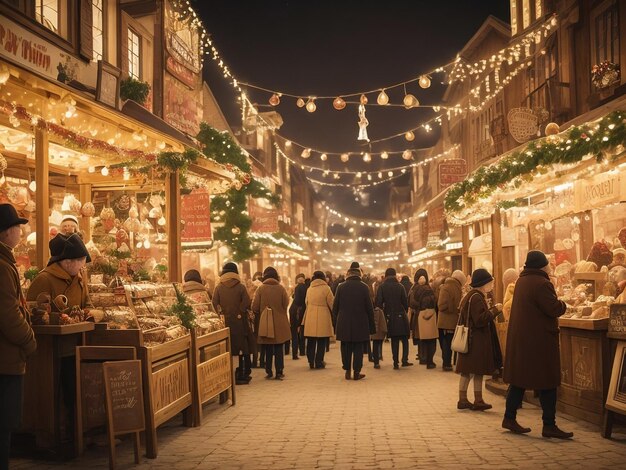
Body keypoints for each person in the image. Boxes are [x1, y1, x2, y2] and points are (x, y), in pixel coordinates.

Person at [503, 250, 572, 439]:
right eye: (547, 263)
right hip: (539, 341)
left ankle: (509, 418)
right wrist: (565, 304)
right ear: (542, 265)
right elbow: (553, 308)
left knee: (519, 380)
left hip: (524, 340)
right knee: (547, 381)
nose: (550, 265)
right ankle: (549, 425)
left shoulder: (522, 281)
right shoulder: (542, 283)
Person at [0, 204, 37, 470]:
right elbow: (8, 314)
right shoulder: (2, 266)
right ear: (5, 233)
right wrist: (29, 340)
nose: (20, 232)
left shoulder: (5, 261)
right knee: (4, 422)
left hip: (7, 357)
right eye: (16, 228)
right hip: (6, 359)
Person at [456, 268, 502, 411]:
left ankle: (476, 399)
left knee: (474, 371)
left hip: (473, 340)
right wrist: (495, 310)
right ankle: (467, 400)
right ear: (483, 283)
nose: (492, 285)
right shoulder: (476, 297)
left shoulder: (470, 296)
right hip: (475, 341)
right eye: (490, 282)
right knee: (470, 371)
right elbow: (480, 320)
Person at [332, 262, 375, 380]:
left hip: (344, 323)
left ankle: (347, 370)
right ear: (359, 275)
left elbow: (334, 308)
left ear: (348, 275)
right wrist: (372, 327)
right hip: (360, 323)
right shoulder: (364, 287)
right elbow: (369, 309)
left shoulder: (341, 287)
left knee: (345, 347)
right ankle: (356, 372)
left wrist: (335, 324)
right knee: (358, 349)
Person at [212, 262, 253, 385]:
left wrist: (220, 313)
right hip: (240, 322)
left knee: (228, 348)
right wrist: (240, 310)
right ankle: (242, 373)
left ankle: (228, 374)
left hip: (225, 322)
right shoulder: (240, 286)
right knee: (241, 347)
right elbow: (247, 301)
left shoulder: (218, 287)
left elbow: (213, 303)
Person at [252, 267, 291, 380]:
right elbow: (286, 303)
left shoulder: (260, 289)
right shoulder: (281, 288)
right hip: (280, 321)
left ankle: (268, 370)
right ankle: (279, 371)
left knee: (268, 346)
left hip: (265, 321)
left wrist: (263, 311)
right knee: (279, 346)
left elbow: (254, 306)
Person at [376, 268, 411, 369]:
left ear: (386, 276)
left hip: (389, 316)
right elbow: (405, 302)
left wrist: (385, 312)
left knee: (394, 340)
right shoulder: (400, 286)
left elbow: (378, 302)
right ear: (395, 275)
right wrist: (403, 310)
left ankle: (395, 362)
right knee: (404, 339)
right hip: (400, 315)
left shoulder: (382, 287)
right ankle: (405, 360)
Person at [301, 271, 334, 369]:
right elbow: (331, 303)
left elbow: (306, 301)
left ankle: (311, 361)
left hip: (310, 314)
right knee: (322, 341)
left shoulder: (309, 288)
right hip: (323, 315)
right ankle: (319, 361)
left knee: (311, 340)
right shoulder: (326, 288)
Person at [437, 270, 466, 371]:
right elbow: (441, 305)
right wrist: (454, 307)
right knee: (450, 343)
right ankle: (449, 363)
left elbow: (441, 305)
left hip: (446, 322)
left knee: (447, 342)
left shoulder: (446, 287)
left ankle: (447, 363)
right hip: (449, 321)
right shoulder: (451, 287)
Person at [409, 269, 438, 368]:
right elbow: (435, 302)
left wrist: (420, 306)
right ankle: (428, 359)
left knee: (421, 337)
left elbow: (411, 302)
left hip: (418, 315)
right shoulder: (430, 289)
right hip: (431, 315)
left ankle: (422, 357)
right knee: (430, 338)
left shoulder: (414, 289)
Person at [288, 273, 307, 359]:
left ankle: (295, 353)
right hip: (300, 310)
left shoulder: (296, 287)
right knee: (301, 331)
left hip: (293, 310)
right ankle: (302, 351)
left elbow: (294, 297)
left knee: (294, 331)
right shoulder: (306, 287)